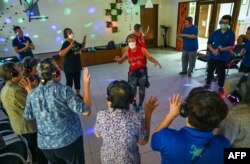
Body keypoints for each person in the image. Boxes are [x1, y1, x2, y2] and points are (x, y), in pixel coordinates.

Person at [20, 58, 91, 164]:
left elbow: (28, 116)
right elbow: (86, 111)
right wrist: (86, 84)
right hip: (68, 141)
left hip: (46, 146)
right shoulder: (64, 90)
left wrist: (30, 94)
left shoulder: (32, 94)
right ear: (56, 73)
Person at [151, 88, 230, 164]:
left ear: (184, 112)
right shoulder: (223, 144)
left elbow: (154, 139)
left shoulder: (166, 139)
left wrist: (170, 115)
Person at [94, 80, 158, 164]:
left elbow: (97, 134)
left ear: (108, 98)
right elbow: (143, 141)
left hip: (107, 160)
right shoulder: (137, 118)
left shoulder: (101, 115)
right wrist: (148, 114)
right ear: (131, 100)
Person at [0, 62, 47, 164]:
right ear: (13, 74)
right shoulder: (14, 91)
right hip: (27, 128)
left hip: (21, 126)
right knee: (38, 152)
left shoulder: (10, 86)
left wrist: (31, 88)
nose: (22, 70)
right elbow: (34, 106)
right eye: (19, 69)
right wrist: (32, 91)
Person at [114, 34, 161, 112]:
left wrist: (156, 62)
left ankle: (140, 105)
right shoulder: (127, 52)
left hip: (142, 73)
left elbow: (149, 57)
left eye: (132, 40)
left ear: (136, 41)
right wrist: (118, 60)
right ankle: (135, 105)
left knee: (142, 91)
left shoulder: (142, 49)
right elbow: (121, 61)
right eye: (129, 41)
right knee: (133, 91)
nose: (130, 42)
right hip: (132, 74)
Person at [205, 15, 235, 93]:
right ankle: (208, 83)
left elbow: (230, 46)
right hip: (213, 56)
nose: (223, 24)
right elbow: (209, 43)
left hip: (223, 57)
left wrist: (221, 49)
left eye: (226, 23)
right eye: (222, 22)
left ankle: (221, 86)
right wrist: (213, 50)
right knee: (210, 71)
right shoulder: (215, 32)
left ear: (229, 23)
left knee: (221, 72)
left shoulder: (231, 34)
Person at [218, 74, 250, 147]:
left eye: (226, 92)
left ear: (235, 95)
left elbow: (222, 141)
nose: (224, 95)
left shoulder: (234, 118)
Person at [59, 28, 85, 98]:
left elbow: (81, 47)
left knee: (77, 81)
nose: (71, 34)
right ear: (65, 35)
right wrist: (70, 46)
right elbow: (61, 54)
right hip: (69, 67)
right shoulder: (65, 43)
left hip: (77, 65)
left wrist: (84, 40)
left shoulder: (75, 42)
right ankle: (69, 96)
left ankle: (78, 94)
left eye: (72, 32)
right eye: (69, 33)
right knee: (69, 83)